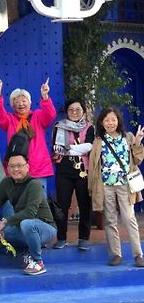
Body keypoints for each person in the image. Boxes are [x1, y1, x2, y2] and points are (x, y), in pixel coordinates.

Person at [88, 107, 144, 267]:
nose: (110, 123)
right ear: (102, 123)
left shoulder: (128, 137)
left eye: (113, 119)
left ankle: (138, 254)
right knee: (110, 220)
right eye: (106, 120)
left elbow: (138, 159)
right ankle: (116, 254)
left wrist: (138, 142)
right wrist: (92, 188)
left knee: (129, 218)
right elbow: (93, 166)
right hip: (106, 186)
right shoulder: (98, 141)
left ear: (118, 120)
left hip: (125, 185)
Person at [0, 153, 57, 276]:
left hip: (44, 227)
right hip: (22, 228)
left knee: (27, 224)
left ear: (27, 167)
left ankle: (38, 262)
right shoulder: (7, 183)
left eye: (19, 165)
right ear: (7, 169)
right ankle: (25, 254)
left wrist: (4, 221)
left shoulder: (34, 185)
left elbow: (30, 213)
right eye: (12, 166)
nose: (16, 169)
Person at [0, 74, 56, 193]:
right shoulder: (10, 119)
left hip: (37, 168)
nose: (21, 104)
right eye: (16, 102)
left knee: (38, 205)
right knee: (14, 206)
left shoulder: (37, 116)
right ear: (12, 105)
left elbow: (50, 114)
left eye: (23, 101)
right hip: (16, 168)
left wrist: (45, 96)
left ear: (29, 102)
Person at [52, 98, 94, 250]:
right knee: (62, 205)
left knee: (85, 205)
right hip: (64, 170)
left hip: (84, 170)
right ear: (67, 112)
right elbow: (57, 148)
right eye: (71, 110)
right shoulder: (60, 126)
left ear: (83, 111)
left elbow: (89, 147)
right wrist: (76, 149)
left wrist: (68, 149)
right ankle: (61, 238)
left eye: (78, 109)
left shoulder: (89, 127)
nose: (74, 112)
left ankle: (84, 238)